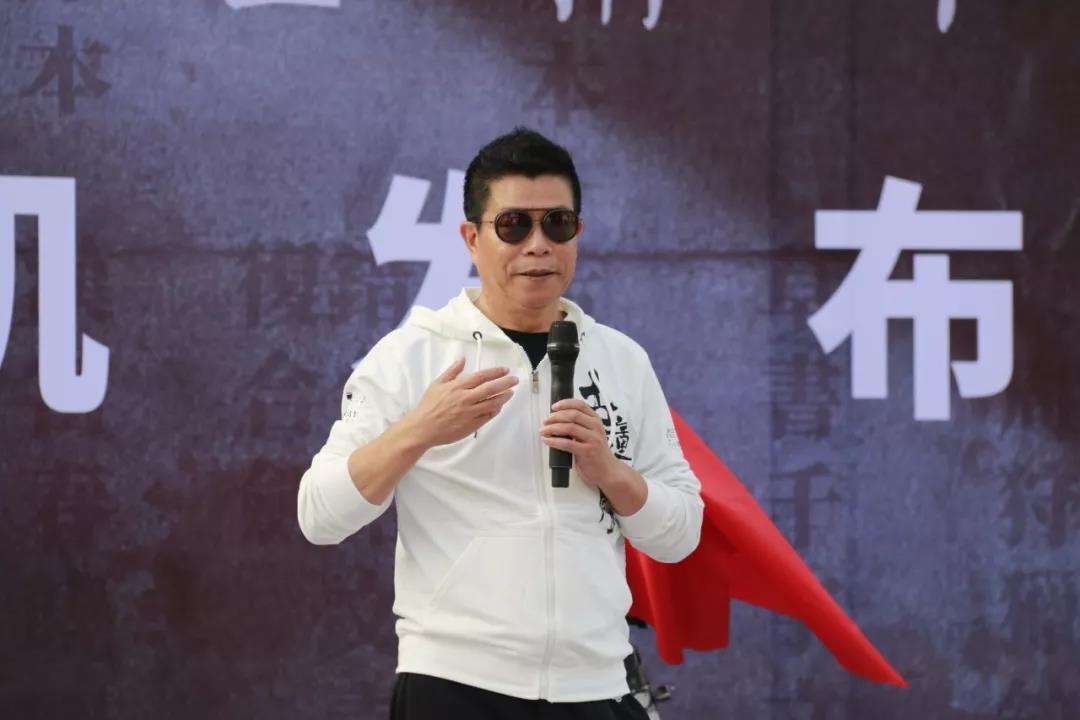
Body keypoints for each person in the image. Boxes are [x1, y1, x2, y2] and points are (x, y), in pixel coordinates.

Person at [297, 127, 704, 719]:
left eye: (557, 224)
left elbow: (681, 533)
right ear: (472, 238)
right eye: (514, 225)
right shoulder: (413, 355)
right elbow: (319, 515)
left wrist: (611, 472)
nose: (538, 245)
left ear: (578, 234)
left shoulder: (621, 359)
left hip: (595, 684)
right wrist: (419, 430)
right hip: (455, 685)